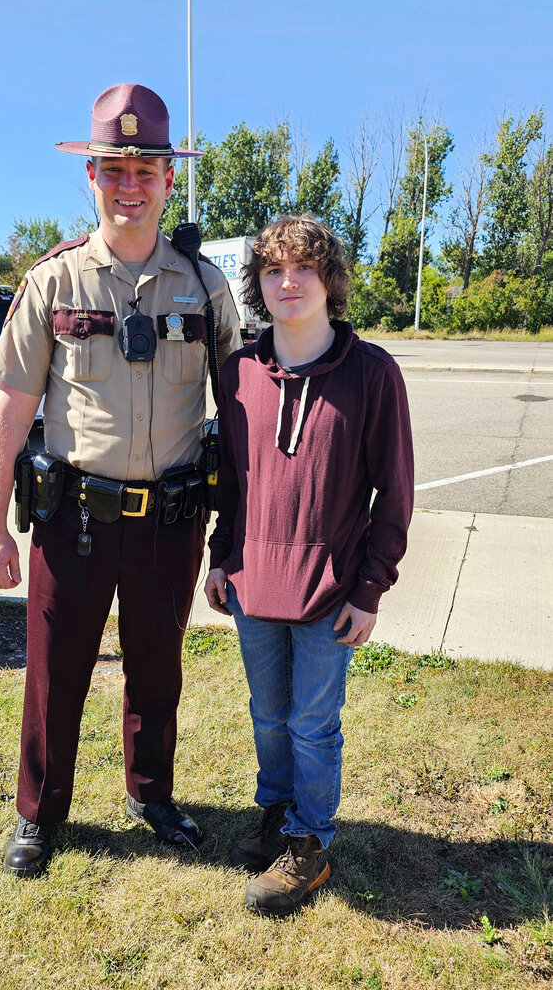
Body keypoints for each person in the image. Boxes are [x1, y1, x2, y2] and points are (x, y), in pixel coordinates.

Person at [0, 83, 242, 877]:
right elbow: (9, 412)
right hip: (75, 519)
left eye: (146, 169)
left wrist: (235, 536)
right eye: (114, 168)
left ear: (169, 180)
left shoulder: (206, 287)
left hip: (170, 520)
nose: (130, 185)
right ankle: (40, 812)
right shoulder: (52, 283)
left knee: (157, 668)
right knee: (56, 676)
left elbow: (240, 419)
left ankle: (151, 794)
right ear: (89, 177)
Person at [204, 216, 413, 917]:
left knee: (312, 723)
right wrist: (218, 559)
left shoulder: (372, 373)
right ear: (258, 283)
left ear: (328, 281)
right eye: (272, 269)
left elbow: (395, 490)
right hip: (253, 583)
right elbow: (230, 482)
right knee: (269, 716)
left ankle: (309, 842)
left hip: (330, 592)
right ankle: (278, 813)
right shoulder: (238, 373)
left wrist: (370, 588)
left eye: (303, 268)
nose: (287, 281)